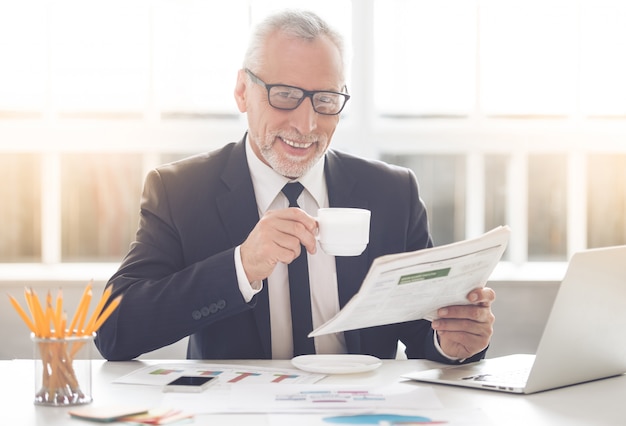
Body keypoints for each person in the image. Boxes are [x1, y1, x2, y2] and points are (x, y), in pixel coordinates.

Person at [95, 9, 495, 363]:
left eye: (325, 100)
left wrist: (453, 342)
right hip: (239, 414)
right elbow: (113, 331)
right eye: (284, 95)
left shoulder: (392, 193)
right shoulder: (179, 191)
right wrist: (242, 266)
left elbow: (424, 334)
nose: (306, 125)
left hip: (359, 411)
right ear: (242, 92)